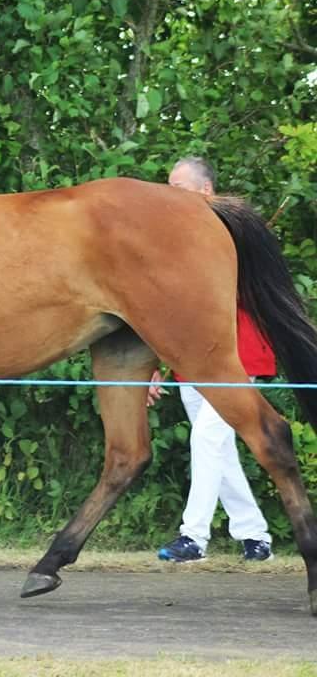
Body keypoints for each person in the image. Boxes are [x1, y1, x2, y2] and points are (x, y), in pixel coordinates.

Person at [149, 156, 275, 563]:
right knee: (219, 449)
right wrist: (157, 365)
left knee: (207, 439)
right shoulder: (175, 241)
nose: (170, 197)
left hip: (238, 358)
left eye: (178, 188)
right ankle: (255, 536)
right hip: (191, 363)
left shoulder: (235, 232)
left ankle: (194, 537)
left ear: (205, 191)